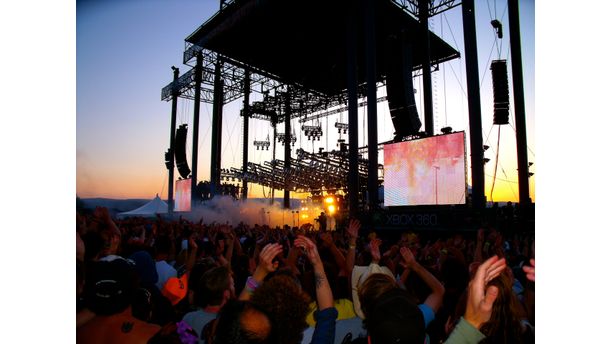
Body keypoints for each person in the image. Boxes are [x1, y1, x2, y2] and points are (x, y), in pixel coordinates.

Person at [182, 266, 236, 343]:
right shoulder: (227, 325)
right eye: (233, 285)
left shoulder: (187, 317)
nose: (234, 287)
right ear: (226, 294)